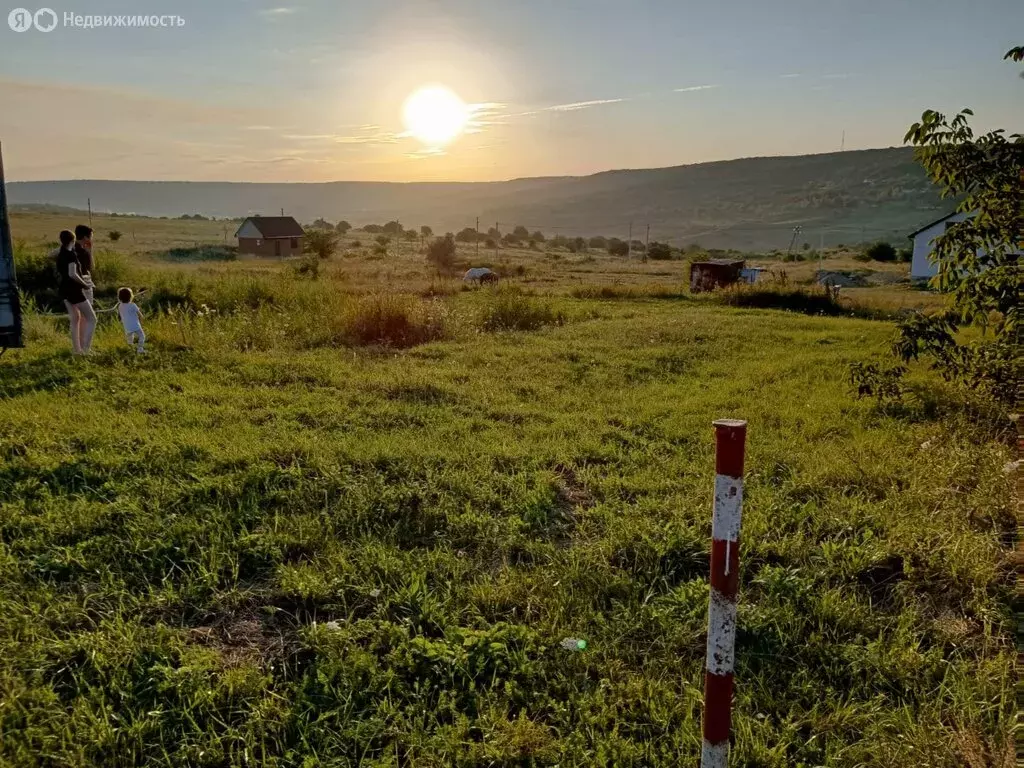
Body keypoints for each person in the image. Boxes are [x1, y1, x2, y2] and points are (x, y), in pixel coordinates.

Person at [56, 229, 96, 355]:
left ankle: (76, 350)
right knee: (92, 318)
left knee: (75, 318)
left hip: (64, 290)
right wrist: (84, 284)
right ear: (73, 240)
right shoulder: (71, 255)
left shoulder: (61, 253)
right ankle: (86, 349)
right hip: (75, 291)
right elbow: (72, 274)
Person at [116, 287, 146, 354]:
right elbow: (141, 316)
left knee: (130, 339)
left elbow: (119, 316)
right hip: (136, 326)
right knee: (142, 336)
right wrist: (141, 321)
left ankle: (130, 349)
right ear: (130, 296)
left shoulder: (120, 306)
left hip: (127, 326)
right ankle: (140, 349)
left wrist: (121, 321)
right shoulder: (133, 305)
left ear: (120, 297)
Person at [74, 224, 94, 306]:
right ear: (85, 237)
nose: (91, 239)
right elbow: (92, 267)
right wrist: (90, 251)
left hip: (71, 282)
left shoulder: (69, 248)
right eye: (91, 237)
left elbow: (50, 255)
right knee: (88, 311)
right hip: (84, 280)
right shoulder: (84, 252)